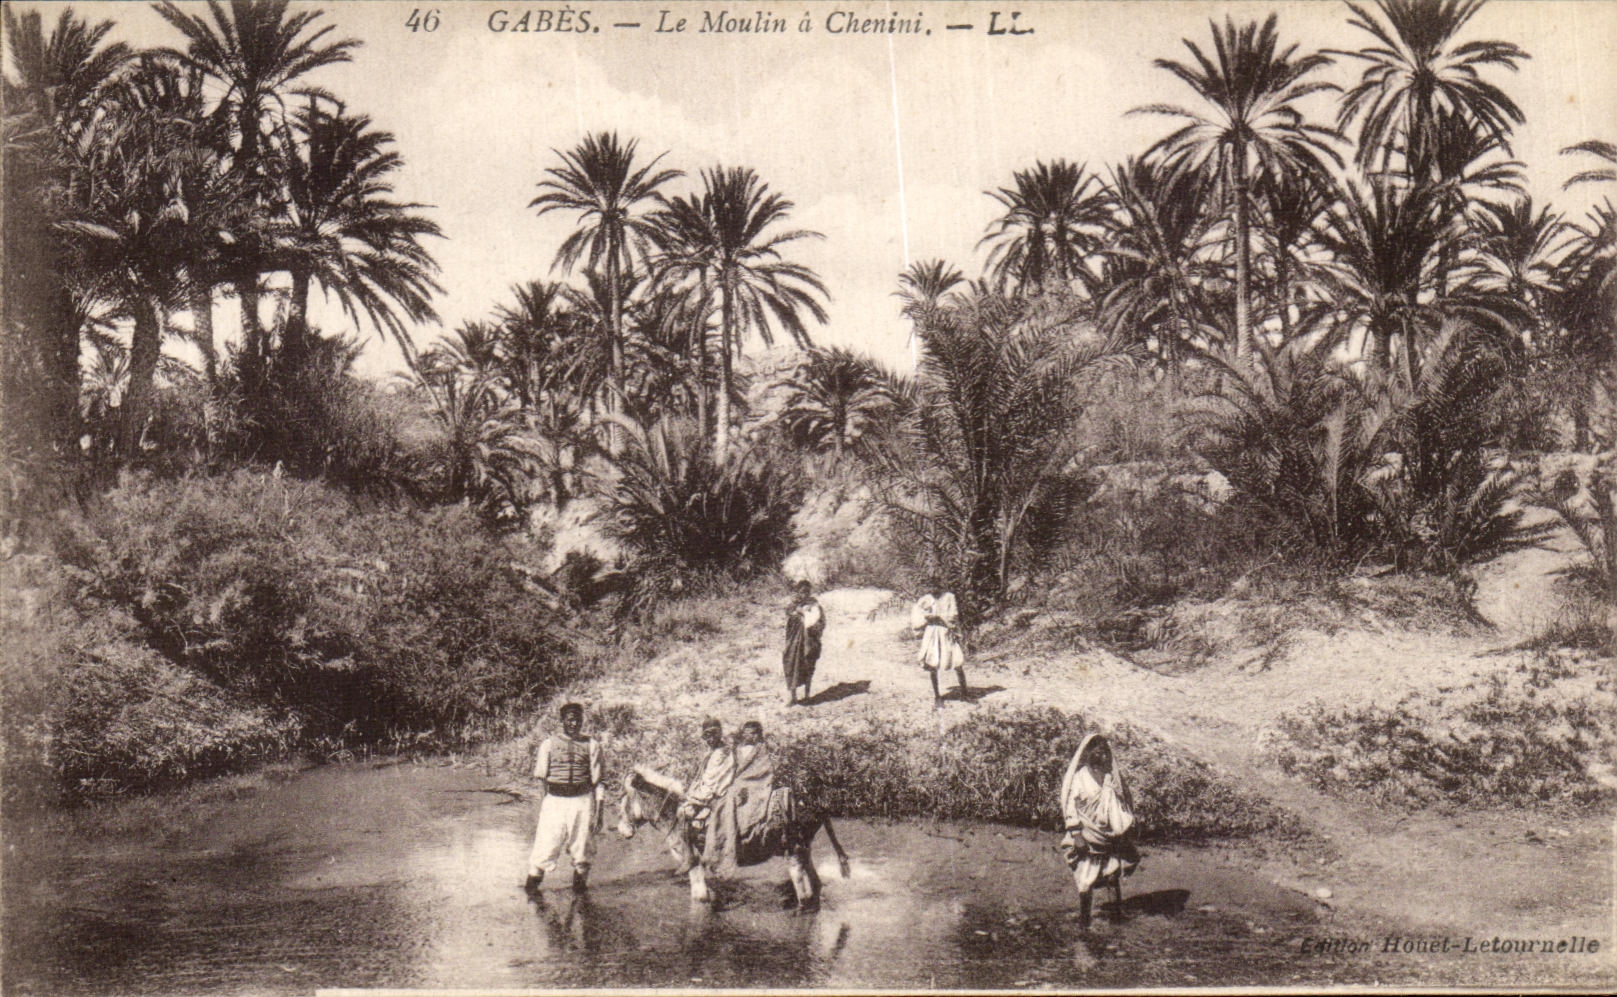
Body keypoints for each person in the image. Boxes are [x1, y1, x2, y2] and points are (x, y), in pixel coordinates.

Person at [1059, 732, 1140, 926]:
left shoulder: (1109, 777)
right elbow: (1071, 807)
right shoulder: (1080, 778)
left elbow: (1120, 803)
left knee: (1112, 876)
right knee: (1086, 880)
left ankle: (1116, 919)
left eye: (1106, 752)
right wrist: (1077, 835)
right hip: (1088, 835)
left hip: (1108, 837)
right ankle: (1084, 920)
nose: (1105, 756)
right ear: (1089, 753)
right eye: (1099, 752)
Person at [526, 702, 605, 893]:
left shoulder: (593, 745)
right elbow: (541, 780)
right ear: (562, 721)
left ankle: (579, 895)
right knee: (545, 846)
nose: (573, 723)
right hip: (555, 801)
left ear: (582, 721)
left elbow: (599, 782)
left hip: (582, 801)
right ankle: (531, 893)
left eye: (577, 719)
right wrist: (542, 808)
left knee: (583, 849)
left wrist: (599, 812)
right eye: (569, 720)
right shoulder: (548, 745)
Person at [714, 719, 777, 868]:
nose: (752, 736)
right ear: (743, 734)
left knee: (751, 806)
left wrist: (749, 783)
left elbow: (765, 769)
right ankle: (725, 839)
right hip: (738, 783)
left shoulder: (761, 749)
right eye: (749, 733)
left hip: (757, 784)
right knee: (725, 802)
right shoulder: (737, 751)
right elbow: (733, 769)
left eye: (755, 733)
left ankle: (746, 834)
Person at [676, 718, 736, 871]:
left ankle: (689, 856)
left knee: (682, 813)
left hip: (717, 794)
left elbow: (710, 784)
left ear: (719, 734)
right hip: (714, 791)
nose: (710, 739)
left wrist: (690, 797)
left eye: (713, 735)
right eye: (707, 737)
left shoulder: (719, 754)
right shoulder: (716, 751)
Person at [911, 580, 967, 708]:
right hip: (932, 632)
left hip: (946, 631)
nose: (932, 589)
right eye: (929, 586)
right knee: (932, 663)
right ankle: (937, 696)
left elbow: (954, 614)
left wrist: (940, 617)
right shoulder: (925, 599)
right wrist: (926, 618)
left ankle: (964, 692)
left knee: (957, 661)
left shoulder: (949, 597)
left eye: (935, 586)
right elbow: (917, 614)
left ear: (940, 585)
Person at [782, 580, 826, 706]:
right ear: (797, 592)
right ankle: (793, 696)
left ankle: (807, 695)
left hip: (809, 641)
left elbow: (821, 622)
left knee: (808, 664)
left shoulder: (815, 605)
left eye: (807, 591)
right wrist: (797, 613)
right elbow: (789, 618)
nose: (804, 594)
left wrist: (810, 621)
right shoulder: (793, 605)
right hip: (794, 641)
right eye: (801, 592)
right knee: (791, 663)